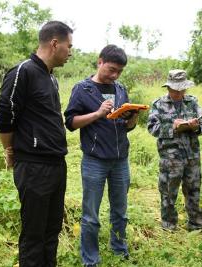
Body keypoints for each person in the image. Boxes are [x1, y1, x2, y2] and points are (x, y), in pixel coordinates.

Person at [0, 21, 73, 267]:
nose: (70, 51)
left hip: (57, 164)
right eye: (69, 46)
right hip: (34, 166)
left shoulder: (51, 79)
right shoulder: (23, 71)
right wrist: (9, 150)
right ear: (54, 43)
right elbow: (4, 114)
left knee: (52, 231)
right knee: (34, 235)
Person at [64, 45, 138, 266]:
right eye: (111, 69)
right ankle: (90, 259)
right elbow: (70, 123)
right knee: (90, 215)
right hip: (94, 161)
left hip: (120, 160)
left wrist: (132, 120)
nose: (114, 75)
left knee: (120, 211)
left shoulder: (121, 89)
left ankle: (119, 249)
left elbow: (125, 126)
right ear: (100, 62)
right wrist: (97, 113)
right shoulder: (82, 89)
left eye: (119, 72)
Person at [147, 69, 202, 231]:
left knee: (193, 190)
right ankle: (169, 225)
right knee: (168, 192)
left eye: (181, 89)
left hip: (192, 157)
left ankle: (196, 224)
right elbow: (152, 128)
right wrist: (173, 128)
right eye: (174, 89)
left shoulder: (193, 102)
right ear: (168, 88)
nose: (177, 93)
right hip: (170, 159)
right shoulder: (158, 104)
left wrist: (196, 127)